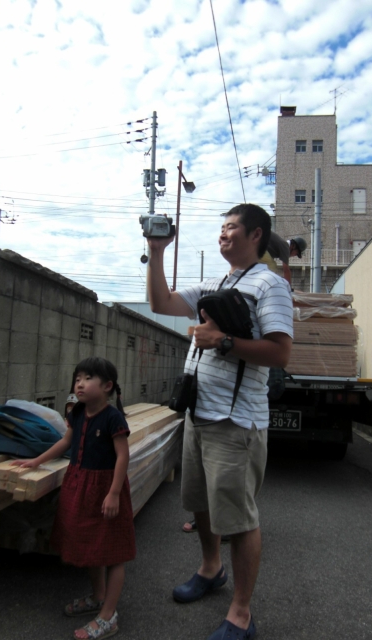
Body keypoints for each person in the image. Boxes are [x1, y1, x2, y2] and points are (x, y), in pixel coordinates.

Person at [147, 203, 293, 640]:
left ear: (255, 234)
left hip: (236, 421)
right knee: (200, 503)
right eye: (222, 228)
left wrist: (224, 341)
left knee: (239, 519)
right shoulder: (216, 283)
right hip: (199, 413)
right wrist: (157, 251)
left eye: (231, 228)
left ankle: (241, 614)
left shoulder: (270, 285)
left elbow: (280, 352)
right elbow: (161, 302)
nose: (222, 234)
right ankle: (211, 569)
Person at [11, 357, 136, 640]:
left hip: (105, 488)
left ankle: (109, 615)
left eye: (88, 378)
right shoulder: (77, 412)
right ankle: (98, 596)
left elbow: (122, 456)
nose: (79, 384)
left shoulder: (113, 417)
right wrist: (36, 461)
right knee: (91, 543)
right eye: (77, 378)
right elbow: (65, 442)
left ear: (107, 386)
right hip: (79, 484)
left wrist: (114, 493)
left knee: (114, 551)